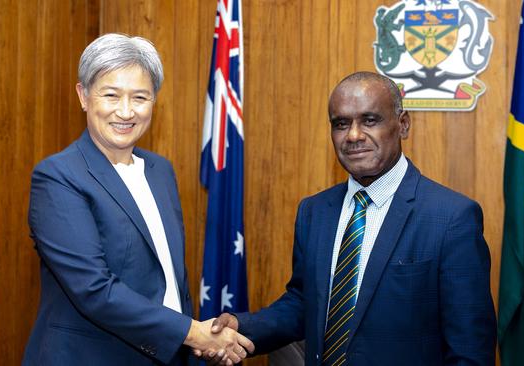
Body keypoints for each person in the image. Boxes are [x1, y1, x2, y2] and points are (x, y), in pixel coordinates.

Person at [204, 72, 496, 365]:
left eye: (370, 120)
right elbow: (306, 303)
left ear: (403, 124)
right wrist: (243, 327)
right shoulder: (314, 212)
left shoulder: (452, 218)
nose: (353, 135)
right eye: (341, 124)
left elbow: (469, 350)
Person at [23, 33, 253, 366]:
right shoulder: (58, 177)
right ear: (84, 96)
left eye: (140, 97)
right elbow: (93, 289)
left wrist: (196, 342)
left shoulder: (160, 171)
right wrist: (192, 332)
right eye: (111, 95)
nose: (126, 111)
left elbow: (172, 281)